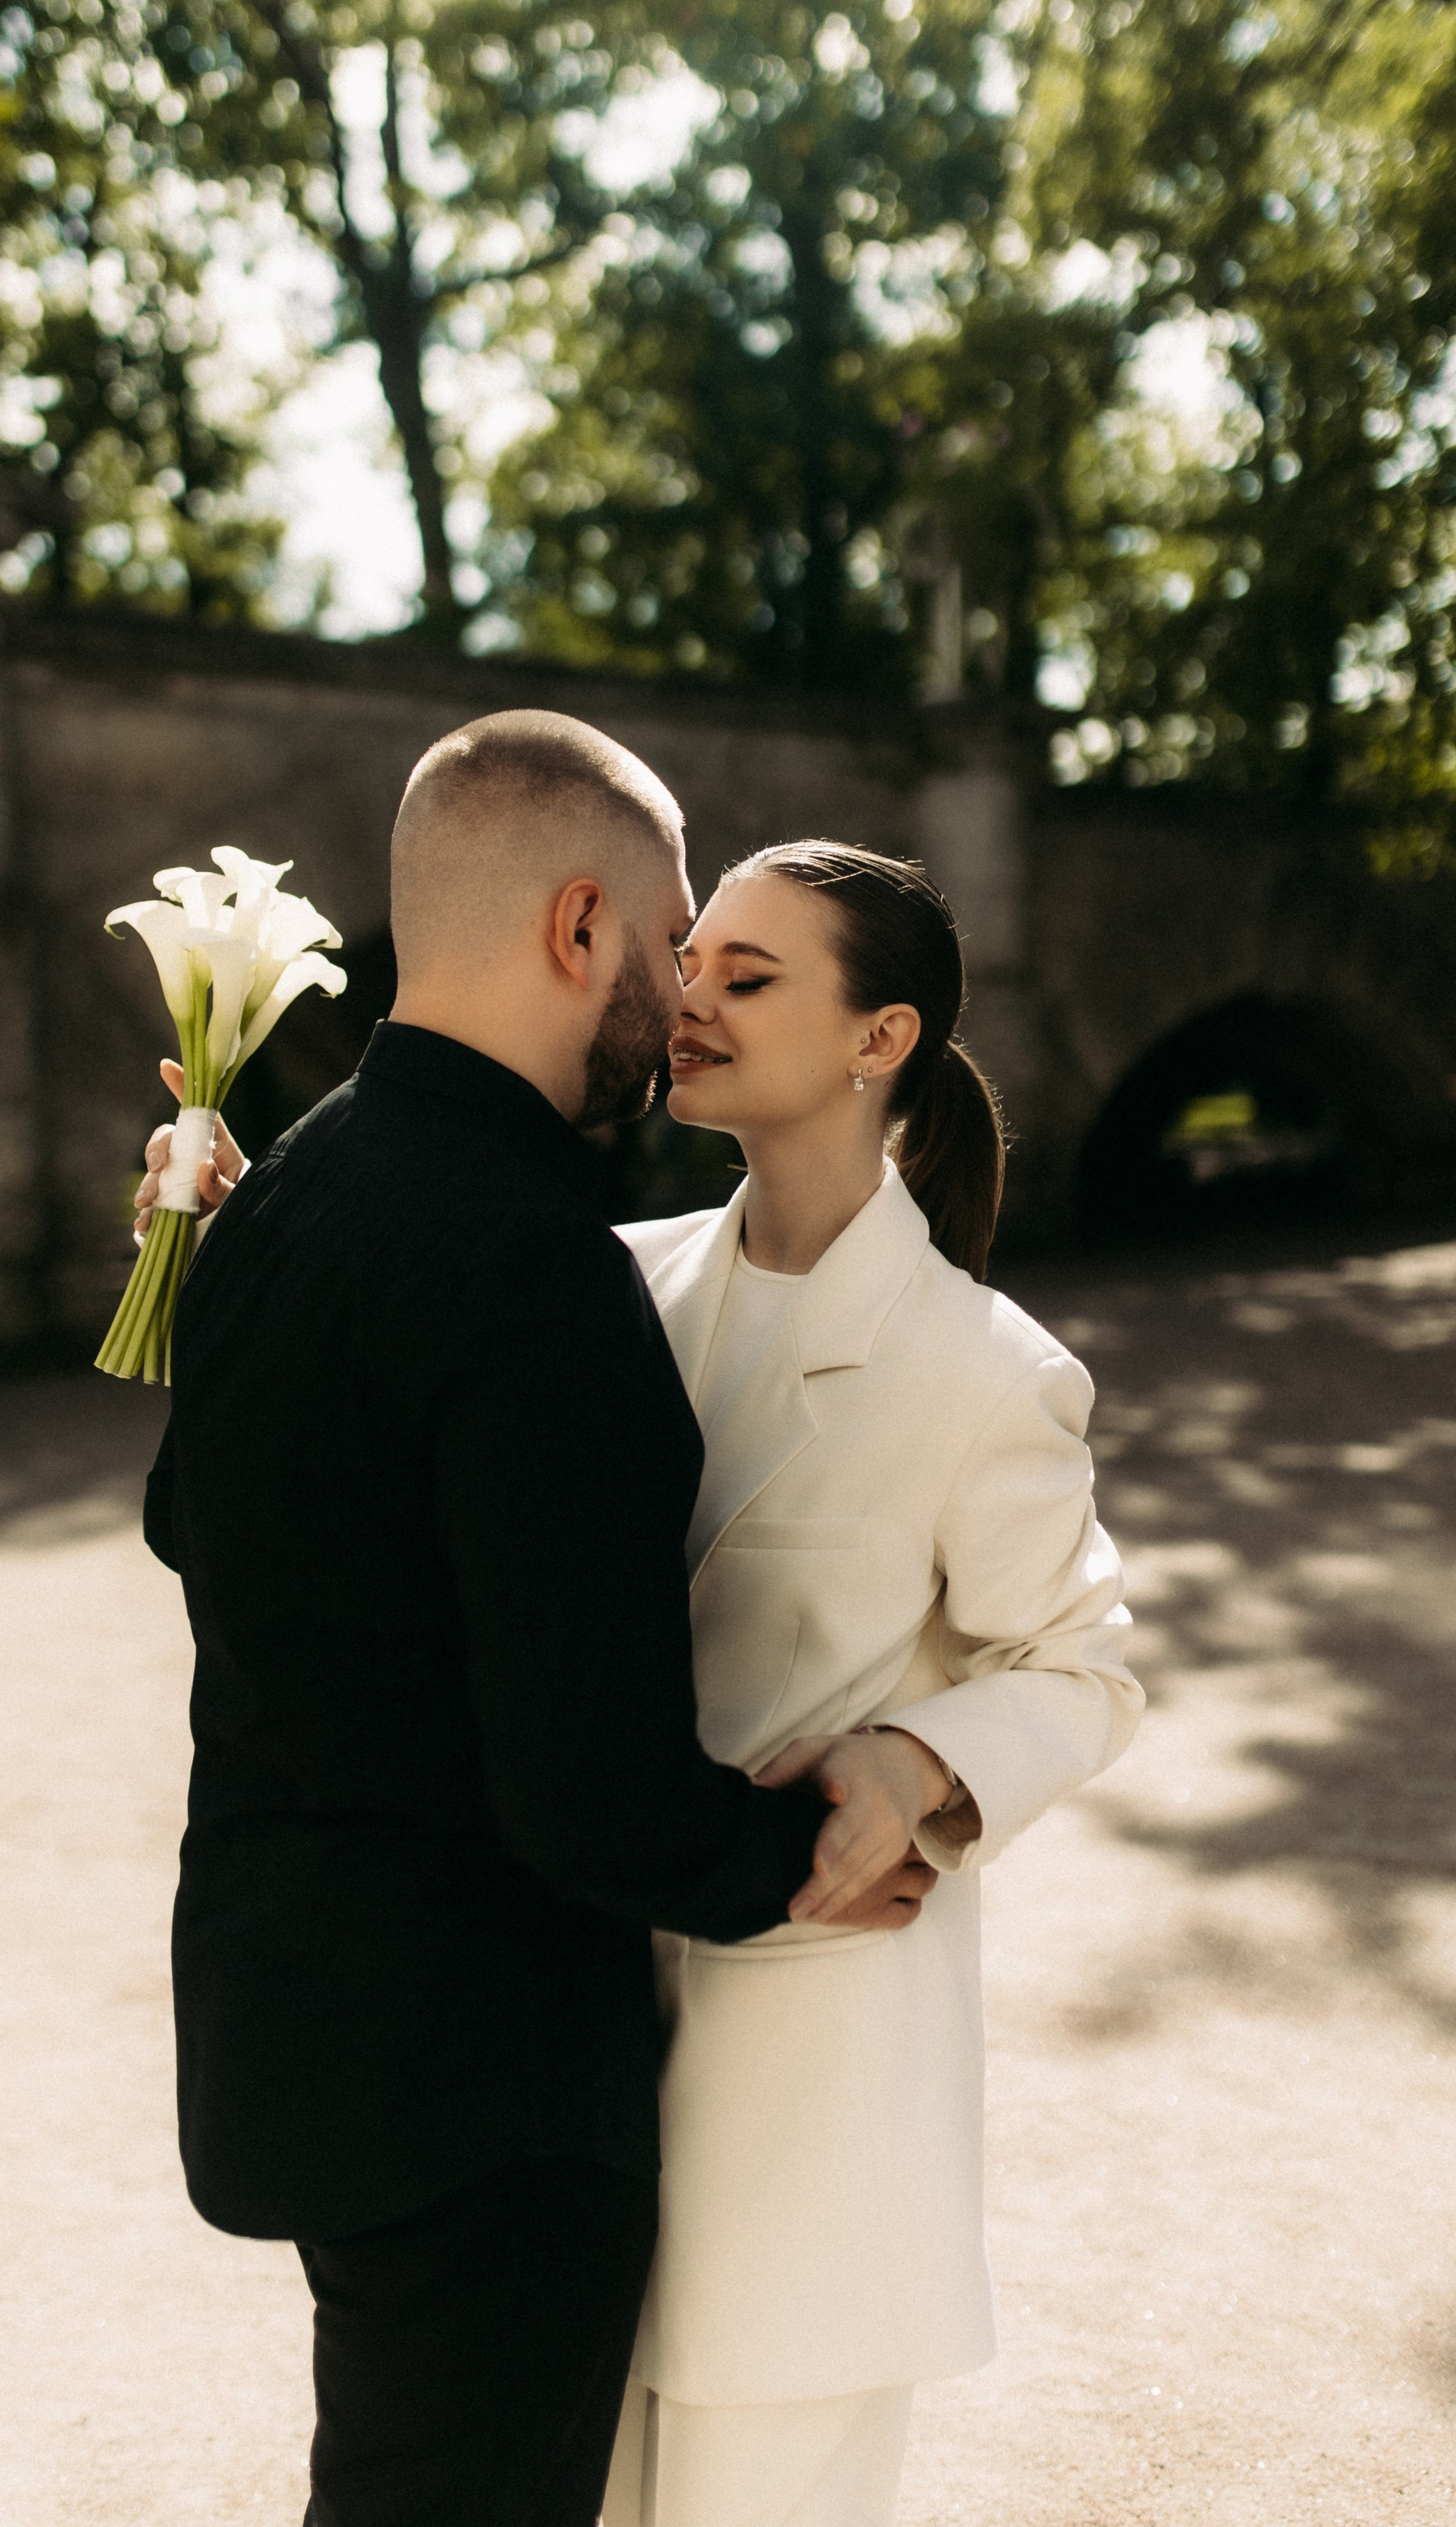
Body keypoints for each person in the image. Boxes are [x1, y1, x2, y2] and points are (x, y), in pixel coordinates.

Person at [139, 715, 882, 2527]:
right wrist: (815, 1839)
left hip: (296, 2025)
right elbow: (591, 1793)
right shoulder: (530, 1272)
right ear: (578, 929)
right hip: (481, 2094)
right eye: (673, 932)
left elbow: (190, 1523)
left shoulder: (280, 1190)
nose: (686, 986)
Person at [593, 839, 1143, 2527]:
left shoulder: (986, 1373)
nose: (687, 999)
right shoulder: (606, 1284)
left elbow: (1080, 1668)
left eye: (745, 978)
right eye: (691, 962)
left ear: (877, 1037)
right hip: (583, 2044)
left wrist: (915, 1761)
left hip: (821, 2075)